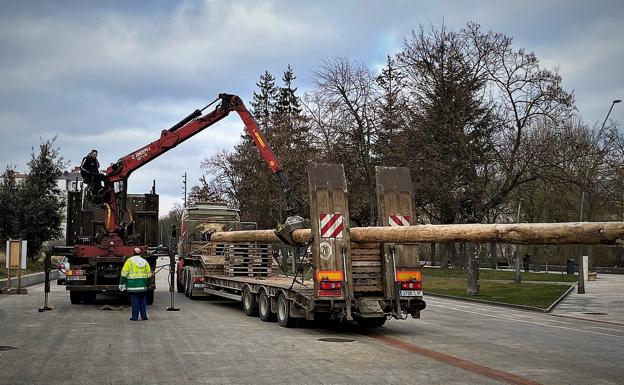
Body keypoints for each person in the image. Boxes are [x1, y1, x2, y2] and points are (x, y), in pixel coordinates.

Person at [120, 247, 152, 321]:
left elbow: (124, 274)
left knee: (135, 302)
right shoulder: (145, 262)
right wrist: (149, 285)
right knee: (143, 302)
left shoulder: (129, 261)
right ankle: (144, 316)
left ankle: (135, 317)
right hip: (143, 286)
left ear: (133, 253)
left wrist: (122, 284)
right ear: (140, 253)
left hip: (133, 286)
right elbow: (149, 274)